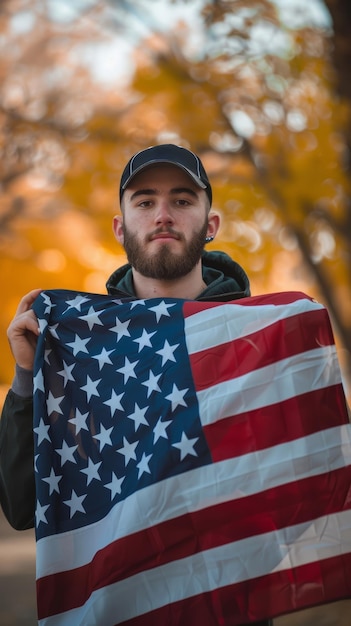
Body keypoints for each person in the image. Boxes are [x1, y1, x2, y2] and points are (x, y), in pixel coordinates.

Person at [0, 144, 348, 626]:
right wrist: (24, 378)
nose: (163, 215)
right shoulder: (85, 354)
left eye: (182, 201)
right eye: (144, 201)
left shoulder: (261, 342)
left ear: (211, 224)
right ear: (121, 227)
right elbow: (22, 508)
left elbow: (315, 490)